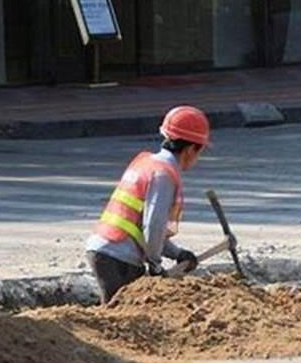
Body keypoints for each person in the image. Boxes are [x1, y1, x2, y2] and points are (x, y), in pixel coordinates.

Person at [85, 106, 209, 303]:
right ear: (191, 149)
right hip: (118, 258)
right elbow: (153, 225)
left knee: (119, 317)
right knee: (119, 320)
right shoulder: (164, 174)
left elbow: (145, 227)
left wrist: (177, 253)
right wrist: (156, 265)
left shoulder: (148, 163)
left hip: (106, 251)